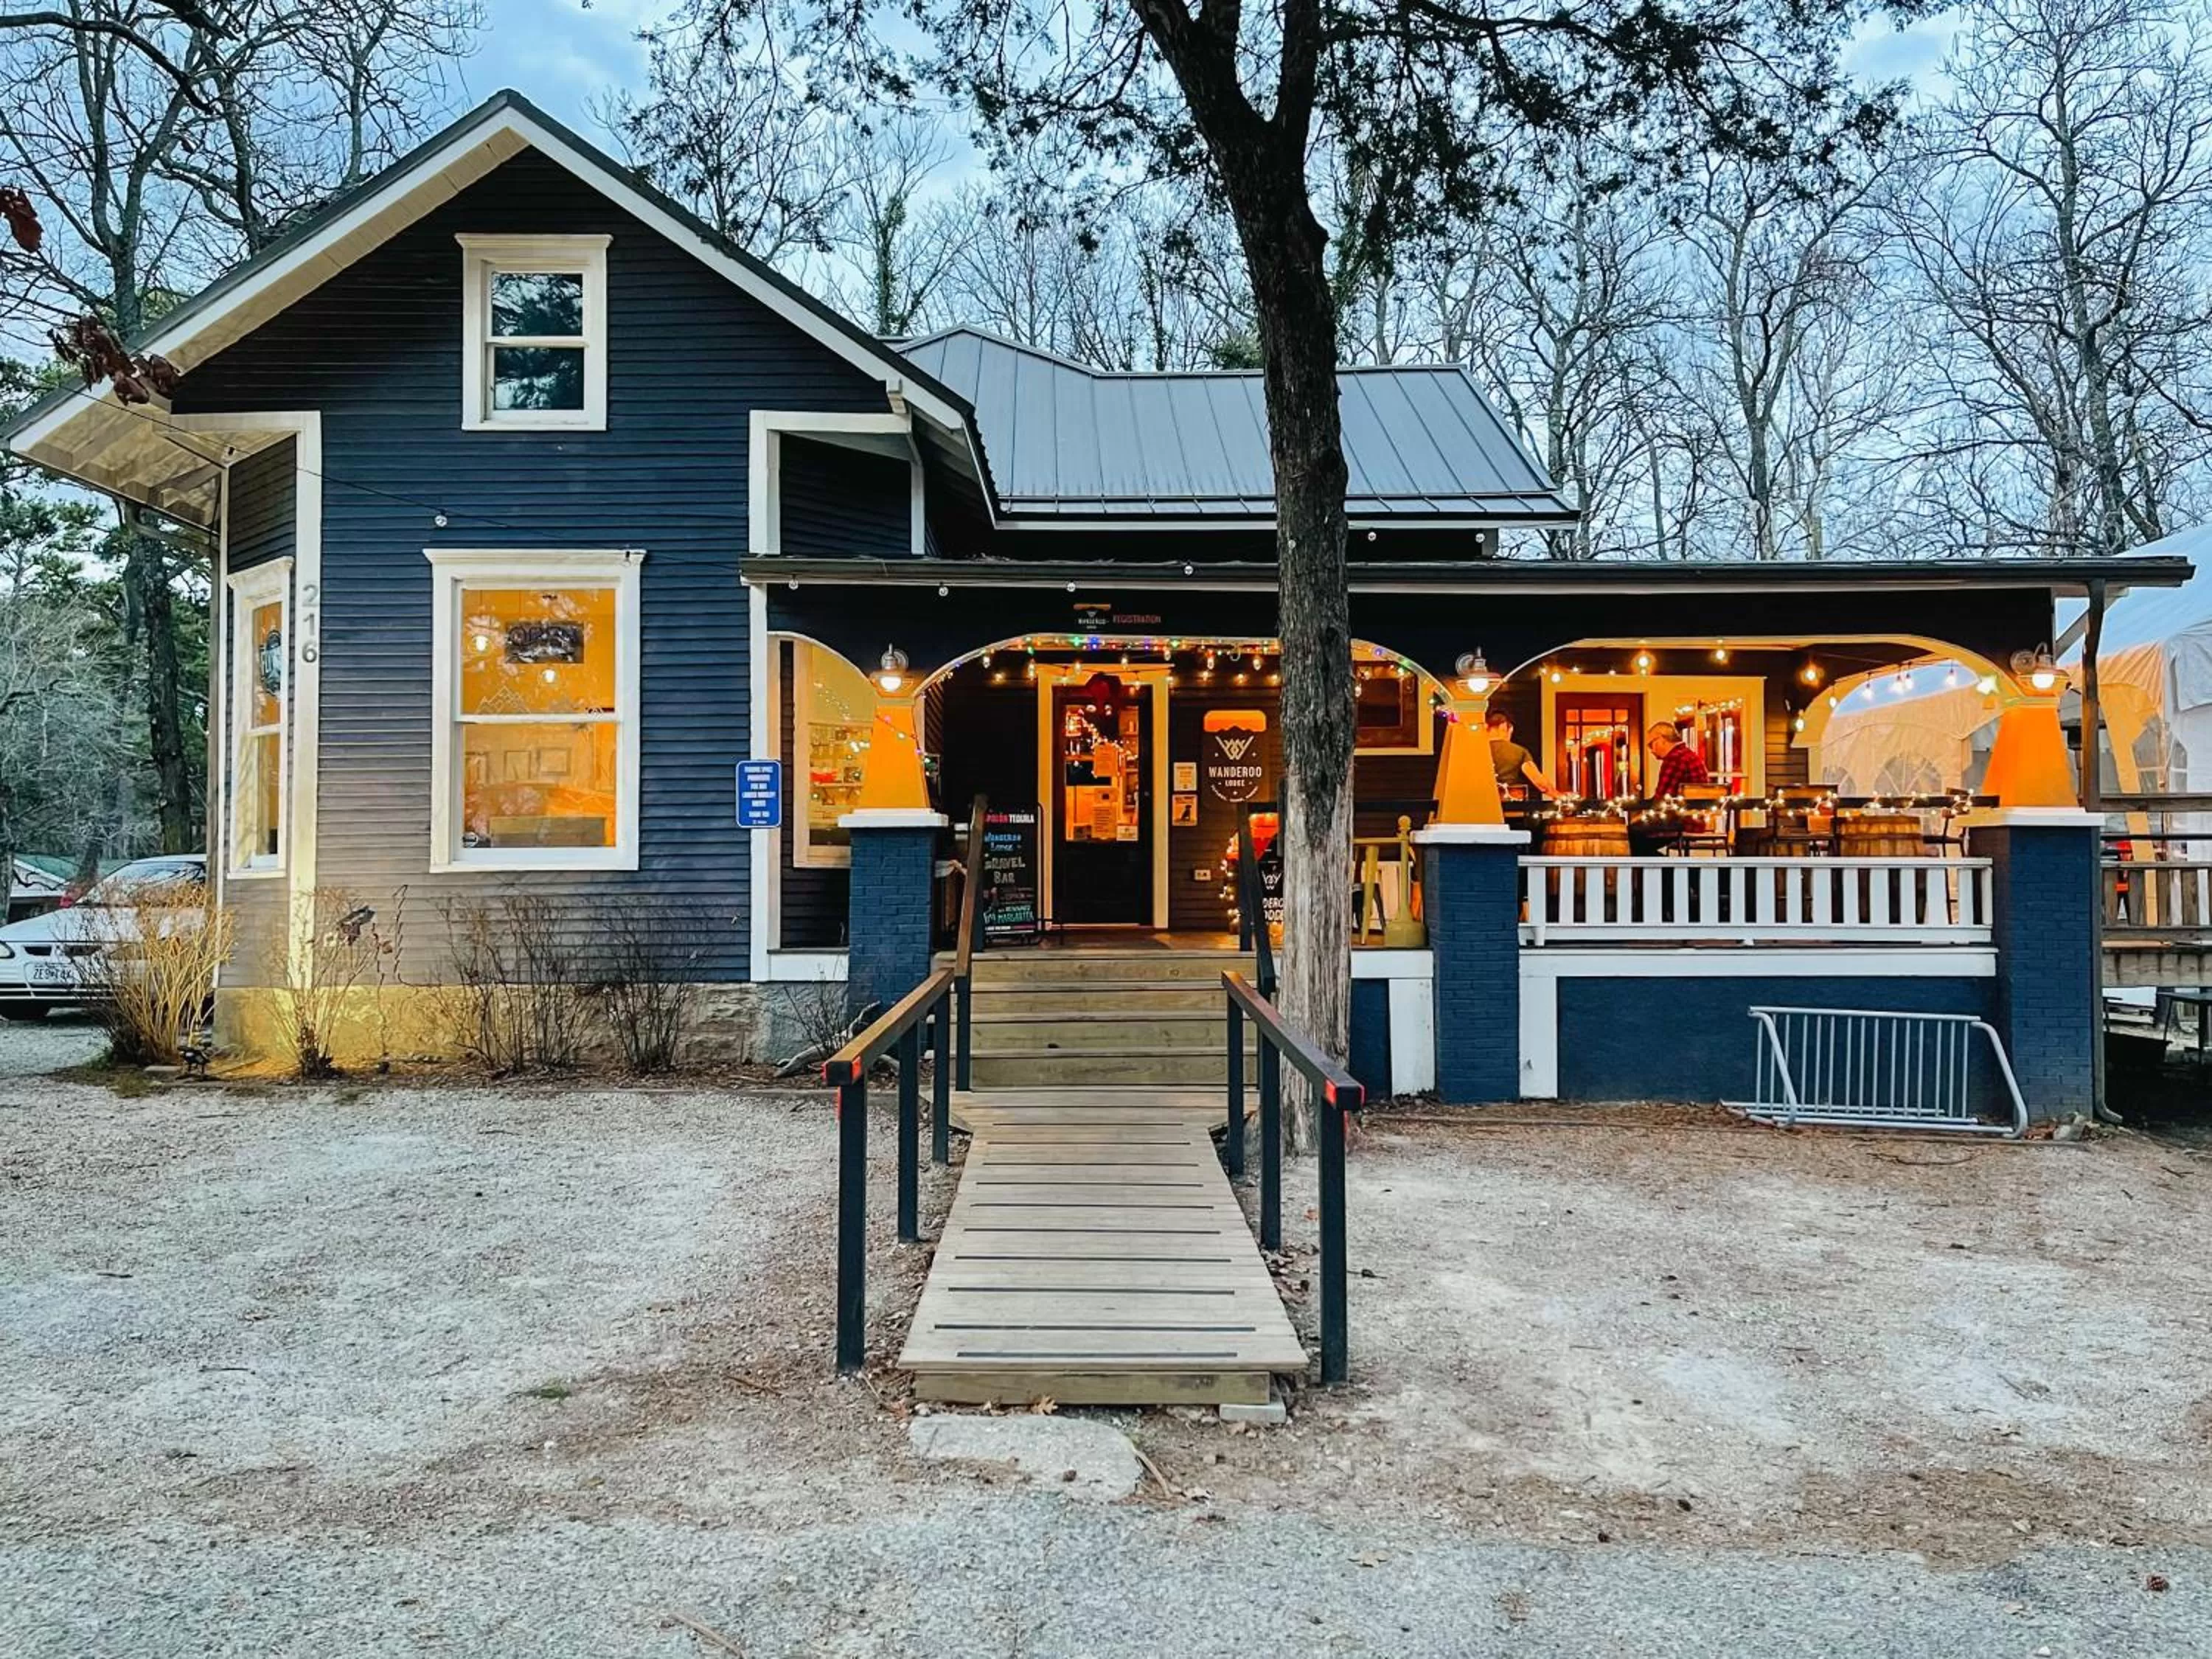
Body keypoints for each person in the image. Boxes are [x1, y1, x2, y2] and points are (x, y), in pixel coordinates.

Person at [1487, 711, 1562, 800]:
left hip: (1479, 802)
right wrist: (1558, 795)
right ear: (1503, 727)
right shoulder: (1519, 751)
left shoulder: (1474, 750)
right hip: (1510, 802)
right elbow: (1538, 781)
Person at [1646, 720, 1711, 799]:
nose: (1652, 751)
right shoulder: (1689, 754)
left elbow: (1663, 798)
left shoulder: (1674, 759)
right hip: (1698, 808)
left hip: (1684, 809)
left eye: (1651, 745)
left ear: (1662, 739)